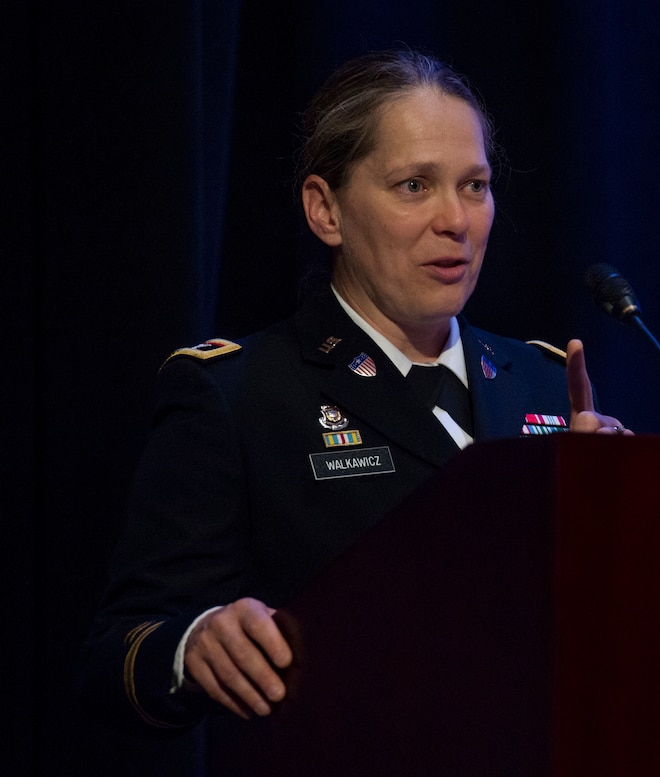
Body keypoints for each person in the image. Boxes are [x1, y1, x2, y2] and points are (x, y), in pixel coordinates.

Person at [80, 47, 631, 742]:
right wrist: (193, 645)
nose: (456, 220)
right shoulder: (238, 392)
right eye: (414, 186)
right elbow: (114, 656)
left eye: (474, 185)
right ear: (325, 209)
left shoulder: (549, 381)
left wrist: (620, 520)